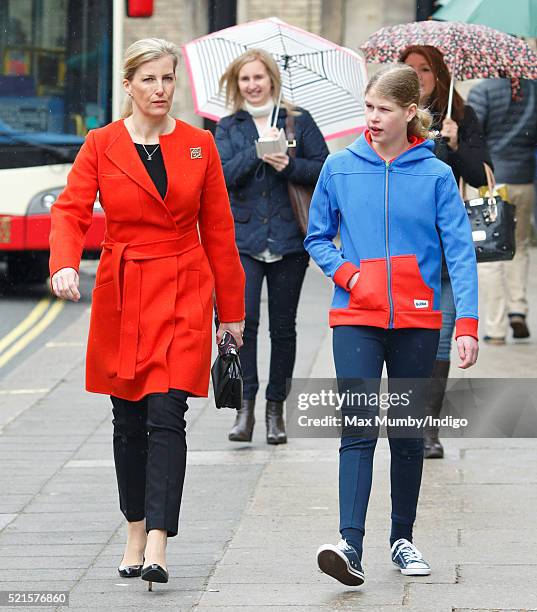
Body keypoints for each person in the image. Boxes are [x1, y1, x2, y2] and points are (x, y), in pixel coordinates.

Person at [49, 38, 245, 591]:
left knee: (167, 414)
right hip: (123, 290)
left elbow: (221, 235)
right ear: (129, 85)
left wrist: (231, 314)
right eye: (150, 80)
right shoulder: (102, 143)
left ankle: (159, 539)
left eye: (168, 79)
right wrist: (64, 263)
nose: (161, 90)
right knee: (128, 422)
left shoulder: (199, 145)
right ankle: (134, 528)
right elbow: (69, 211)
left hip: (184, 286)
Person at [305, 65, 479, 587]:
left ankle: (402, 539)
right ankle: (349, 545)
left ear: (409, 112)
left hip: (418, 321)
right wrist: (351, 277)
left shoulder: (435, 174)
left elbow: (460, 251)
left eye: (383, 109)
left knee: (406, 434)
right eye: (368, 107)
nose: (373, 118)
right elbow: (317, 237)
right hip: (355, 317)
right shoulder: (339, 167)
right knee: (357, 430)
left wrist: (467, 322)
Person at [215, 49, 329, 445]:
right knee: (241, 326)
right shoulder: (229, 126)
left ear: (272, 80)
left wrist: (288, 165)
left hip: (289, 241)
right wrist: (257, 150)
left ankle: (274, 409)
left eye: (259, 78)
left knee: (283, 330)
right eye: (245, 79)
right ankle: (244, 409)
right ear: (237, 84)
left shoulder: (298, 120)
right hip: (244, 243)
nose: (252, 85)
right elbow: (222, 176)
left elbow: (323, 169)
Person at [401, 45, 492, 459]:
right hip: (407, 242)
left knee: (444, 330)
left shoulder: (462, 115)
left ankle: (428, 430)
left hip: (449, 238)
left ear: (439, 74)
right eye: (409, 70)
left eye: (424, 70)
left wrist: (456, 144)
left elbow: (480, 176)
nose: (418, 76)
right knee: (410, 331)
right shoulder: (396, 116)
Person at [467, 78, 537, 344]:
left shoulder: (483, 91)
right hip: (524, 179)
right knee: (519, 244)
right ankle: (518, 309)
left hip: (493, 182)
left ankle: (495, 329)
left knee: (490, 251)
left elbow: (473, 134)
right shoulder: (534, 90)